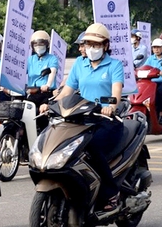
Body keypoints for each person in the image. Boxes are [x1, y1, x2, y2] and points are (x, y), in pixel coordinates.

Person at [40, 23, 124, 216]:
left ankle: (111, 193)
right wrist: (50, 103)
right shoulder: (79, 63)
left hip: (105, 120)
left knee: (91, 147)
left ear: (105, 45)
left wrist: (110, 106)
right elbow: (67, 91)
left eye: (95, 44)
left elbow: (116, 91)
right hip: (81, 119)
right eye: (88, 44)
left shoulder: (114, 65)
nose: (91, 48)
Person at [26, 30, 59, 111]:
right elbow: (21, 72)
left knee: (44, 111)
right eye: (35, 44)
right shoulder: (30, 59)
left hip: (47, 92)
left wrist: (47, 85)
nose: (38, 46)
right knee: (25, 109)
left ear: (47, 44)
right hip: (33, 92)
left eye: (41, 44)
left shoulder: (52, 58)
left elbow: (52, 71)